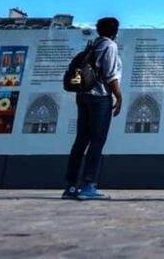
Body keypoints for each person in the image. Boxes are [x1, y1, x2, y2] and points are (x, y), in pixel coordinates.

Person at [62, 17, 123, 200]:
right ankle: (88, 185)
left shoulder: (93, 45)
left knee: (81, 141)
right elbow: (111, 75)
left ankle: (71, 185)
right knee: (97, 141)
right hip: (99, 98)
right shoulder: (110, 46)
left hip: (83, 96)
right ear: (115, 31)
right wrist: (119, 96)